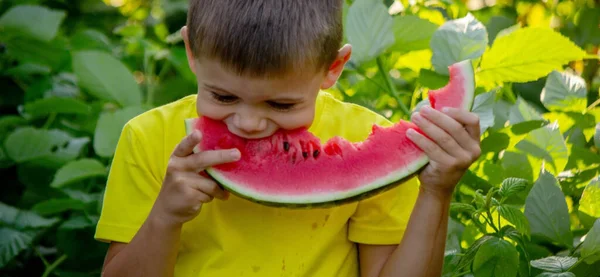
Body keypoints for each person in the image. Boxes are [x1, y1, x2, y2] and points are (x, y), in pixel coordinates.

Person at [95, 1, 481, 276]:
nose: (248, 123)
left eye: (280, 104)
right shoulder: (148, 138)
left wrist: (436, 193)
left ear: (333, 68)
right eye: (223, 97)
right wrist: (165, 217)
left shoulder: (361, 134)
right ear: (192, 53)